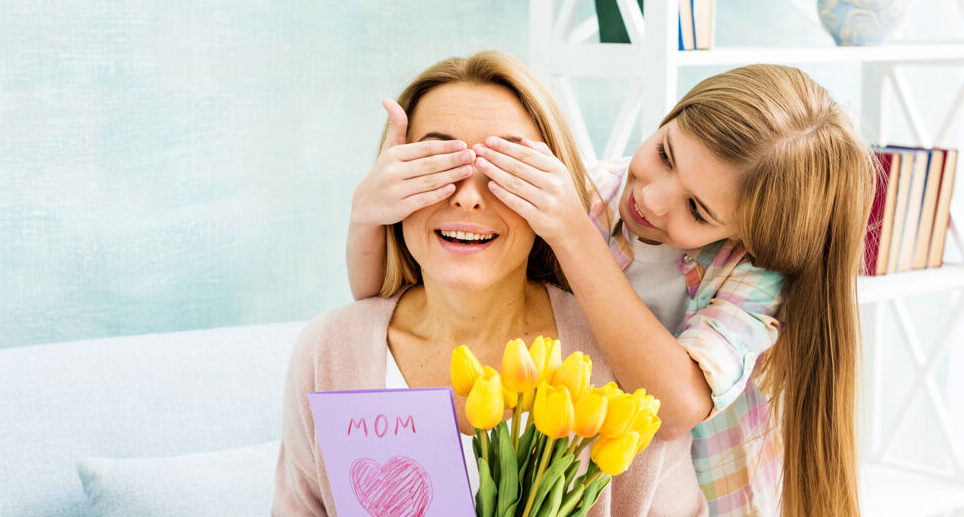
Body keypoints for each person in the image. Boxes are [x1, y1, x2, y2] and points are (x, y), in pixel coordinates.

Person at [347, 63, 875, 517]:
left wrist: (574, 234)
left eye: (698, 209)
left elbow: (675, 410)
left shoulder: (753, 277)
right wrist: (366, 215)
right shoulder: (593, 189)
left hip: (703, 495)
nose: (653, 197)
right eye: (666, 154)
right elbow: (379, 299)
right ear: (669, 117)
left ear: (744, 234)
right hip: (583, 479)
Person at [273, 51, 707, 516]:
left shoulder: (619, 366)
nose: (469, 198)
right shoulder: (328, 350)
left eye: (506, 170)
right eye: (436, 164)